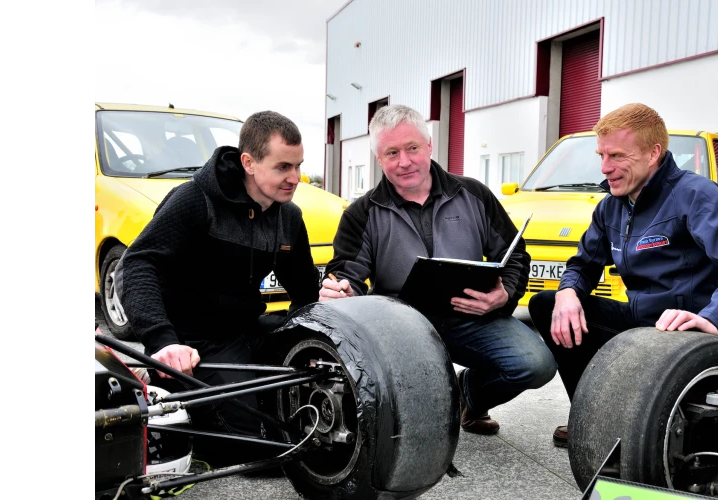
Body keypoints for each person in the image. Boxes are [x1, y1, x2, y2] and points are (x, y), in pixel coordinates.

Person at [527, 103, 718, 448]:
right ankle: (594, 415)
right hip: (642, 323)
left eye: (616, 156)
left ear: (653, 153)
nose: (605, 167)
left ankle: (626, 422)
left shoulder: (693, 195)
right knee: (547, 304)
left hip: (689, 332)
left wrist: (713, 318)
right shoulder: (612, 206)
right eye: (601, 155)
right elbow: (582, 265)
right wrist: (568, 292)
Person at [320, 104, 556, 435]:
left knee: (536, 363)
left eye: (412, 148)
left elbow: (513, 253)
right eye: (392, 152)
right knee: (411, 429)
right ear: (379, 159)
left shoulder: (473, 194)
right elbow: (348, 273)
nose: (404, 161)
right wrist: (341, 290)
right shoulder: (362, 213)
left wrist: (504, 296)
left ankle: (467, 395)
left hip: (472, 318)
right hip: (402, 329)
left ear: (429, 145)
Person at [114, 110, 321, 465]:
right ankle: (159, 377)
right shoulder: (195, 200)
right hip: (193, 341)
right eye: (283, 167)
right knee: (258, 451)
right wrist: (163, 342)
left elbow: (304, 292)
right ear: (249, 163)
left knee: (304, 424)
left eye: (299, 165)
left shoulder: (289, 217)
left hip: (246, 329)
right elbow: (137, 263)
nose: (296, 178)